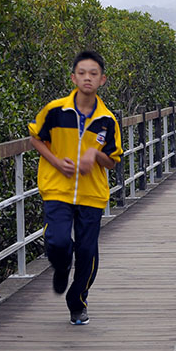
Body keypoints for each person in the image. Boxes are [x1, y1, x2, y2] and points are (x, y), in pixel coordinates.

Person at [28, 50, 123, 325]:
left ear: (102, 79)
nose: (87, 78)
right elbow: (36, 138)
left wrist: (95, 156)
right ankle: (60, 266)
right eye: (82, 73)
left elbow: (113, 161)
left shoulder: (108, 120)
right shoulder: (56, 110)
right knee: (57, 241)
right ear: (73, 77)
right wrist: (57, 162)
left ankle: (77, 302)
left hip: (92, 193)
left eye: (93, 74)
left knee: (87, 251)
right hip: (57, 187)